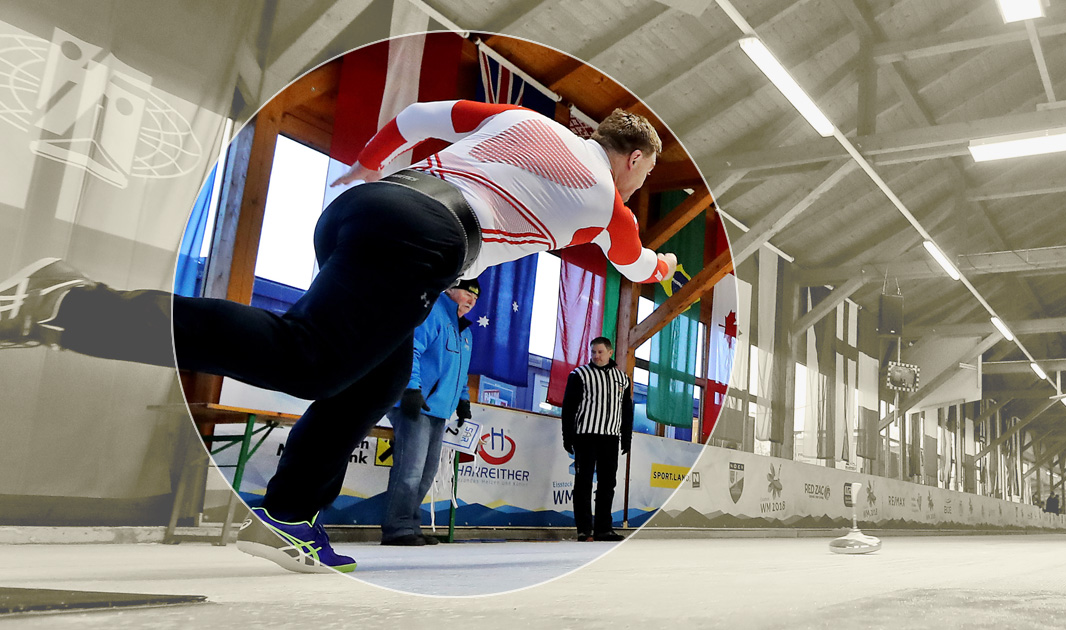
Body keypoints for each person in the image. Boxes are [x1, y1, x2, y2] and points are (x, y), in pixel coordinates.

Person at [0, 101, 677, 573]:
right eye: (646, 172)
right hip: (428, 239)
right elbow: (633, 262)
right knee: (312, 361)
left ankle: (289, 514)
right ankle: (69, 304)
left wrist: (368, 162)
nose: (640, 183)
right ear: (635, 158)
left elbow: (416, 120)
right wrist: (666, 265)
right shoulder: (607, 202)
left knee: (377, 376)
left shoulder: (522, 120)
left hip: (369, 205)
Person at [381, 279, 478, 547]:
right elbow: (411, 350)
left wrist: (463, 401)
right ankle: (396, 528)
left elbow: (461, 372)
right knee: (409, 469)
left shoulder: (466, 333)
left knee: (426, 472)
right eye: (467, 293)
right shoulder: (433, 312)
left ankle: (411, 524)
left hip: (439, 411)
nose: (470, 300)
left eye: (475, 298)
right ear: (450, 290)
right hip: (416, 404)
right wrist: (411, 389)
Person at [561, 337, 633, 542]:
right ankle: (584, 528)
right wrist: (568, 436)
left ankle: (604, 528)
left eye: (600, 352)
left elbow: (626, 411)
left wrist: (626, 438)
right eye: (593, 352)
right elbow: (569, 408)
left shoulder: (622, 378)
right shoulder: (579, 375)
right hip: (586, 436)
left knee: (608, 483)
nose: (596, 356)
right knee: (583, 482)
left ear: (610, 353)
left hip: (611, 437)